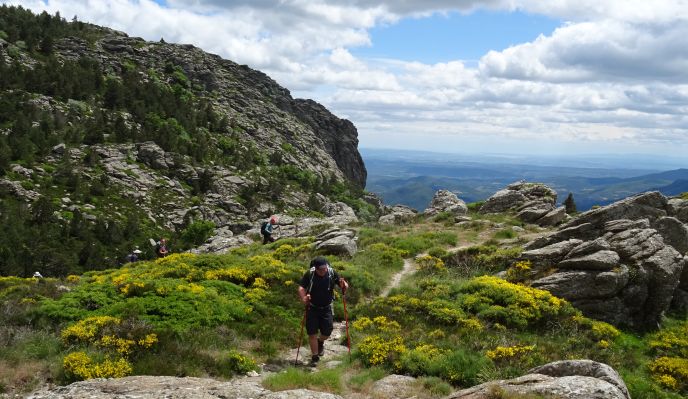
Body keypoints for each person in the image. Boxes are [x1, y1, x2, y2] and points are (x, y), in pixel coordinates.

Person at [297, 256, 348, 366]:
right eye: (321, 269)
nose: (323, 271)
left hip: (327, 307)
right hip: (312, 307)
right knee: (312, 333)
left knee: (327, 332)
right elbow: (301, 288)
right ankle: (315, 356)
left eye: (325, 268)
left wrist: (344, 285)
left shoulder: (331, 272)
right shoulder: (310, 275)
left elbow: (342, 285)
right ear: (315, 268)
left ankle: (321, 342)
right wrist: (304, 298)